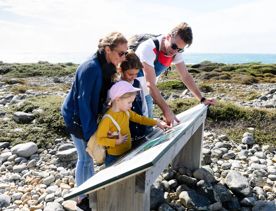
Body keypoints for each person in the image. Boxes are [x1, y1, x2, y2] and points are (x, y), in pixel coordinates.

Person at [61, 32, 128, 210]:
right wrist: (93, 134)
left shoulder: (106, 65)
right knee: (85, 157)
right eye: (121, 53)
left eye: (125, 54)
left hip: (86, 115)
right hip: (76, 118)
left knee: (89, 156)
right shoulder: (91, 68)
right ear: (108, 49)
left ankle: (88, 192)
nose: (123, 57)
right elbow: (84, 104)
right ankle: (82, 198)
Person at [135, 22, 215, 126]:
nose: (175, 51)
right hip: (132, 86)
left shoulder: (175, 52)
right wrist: (167, 111)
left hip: (147, 88)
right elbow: (150, 84)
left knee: (147, 124)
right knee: (140, 124)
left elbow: (185, 76)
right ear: (168, 36)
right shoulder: (149, 48)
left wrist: (202, 99)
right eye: (174, 46)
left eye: (180, 49)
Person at [95, 80, 170, 167]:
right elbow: (100, 140)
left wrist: (156, 122)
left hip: (127, 151)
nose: (131, 106)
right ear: (118, 99)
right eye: (129, 102)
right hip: (114, 158)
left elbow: (140, 119)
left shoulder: (126, 112)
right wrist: (116, 141)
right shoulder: (107, 119)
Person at [119, 51, 149, 148]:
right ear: (120, 70)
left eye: (136, 74)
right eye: (130, 74)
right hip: (125, 138)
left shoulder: (137, 83)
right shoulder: (115, 87)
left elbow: (144, 107)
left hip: (141, 134)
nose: (133, 77)